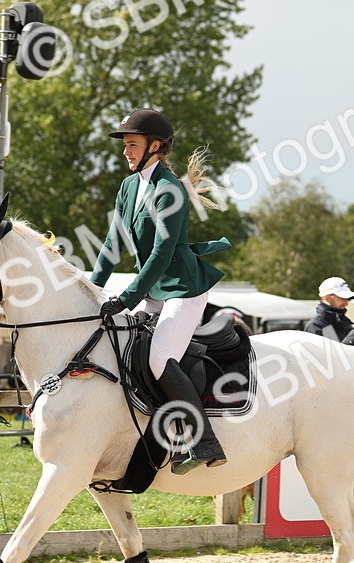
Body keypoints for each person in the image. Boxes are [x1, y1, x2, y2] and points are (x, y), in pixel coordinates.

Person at [90, 108, 233, 474]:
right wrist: (92, 289)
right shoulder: (129, 187)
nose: (126, 151)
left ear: (155, 146)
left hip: (182, 290)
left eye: (132, 144)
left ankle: (204, 442)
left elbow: (161, 253)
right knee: (124, 348)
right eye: (125, 145)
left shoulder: (170, 190)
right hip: (153, 291)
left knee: (159, 359)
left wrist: (126, 298)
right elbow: (112, 242)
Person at [304, 277, 354, 345]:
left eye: (347, 299)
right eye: (342, 298)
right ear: (327, 298)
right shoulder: (314, 326)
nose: (346, 303)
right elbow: (333, 356)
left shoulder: (342, 322)